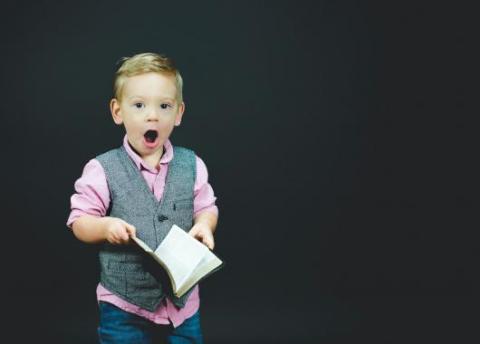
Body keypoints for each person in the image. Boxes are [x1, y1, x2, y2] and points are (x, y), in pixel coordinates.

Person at [66, 52, 218, 343]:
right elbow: (79, 221)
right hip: (124, 303)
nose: (152, 115)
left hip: (182, 303)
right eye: (139, 105)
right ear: (117, 111)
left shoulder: (192, 164)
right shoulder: (102, 169)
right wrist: (105, 226)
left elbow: (206, 206)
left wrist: (205, 225)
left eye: (164, 106)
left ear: (179, 113)